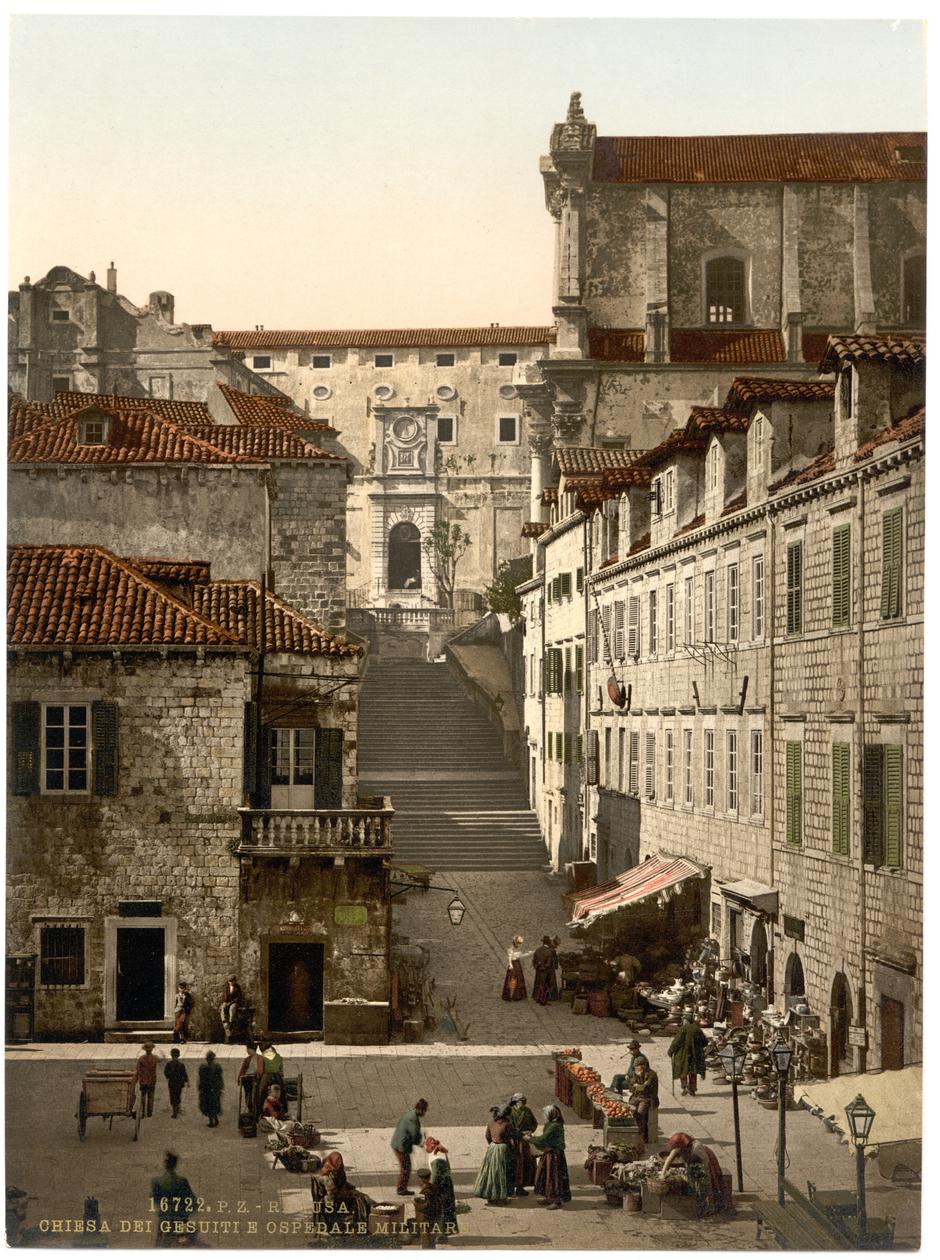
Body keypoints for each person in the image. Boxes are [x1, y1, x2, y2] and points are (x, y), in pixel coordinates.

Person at [660, 1132, 732, 1216]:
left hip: (703, 1162)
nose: (677, 1150)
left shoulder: (696, 1148)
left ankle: (710, 1207)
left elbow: (705, 1164)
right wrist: (663, 1173)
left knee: (707, 1184)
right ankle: (698, 1202)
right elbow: (669, 1159)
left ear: (683, 1145)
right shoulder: (679, 1148)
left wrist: (697, 1173)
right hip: (692, 1163)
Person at [310, 1151, 374, 1231]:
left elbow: (342, 1181)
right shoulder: (327, 1176)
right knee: (359, 1200)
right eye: (339, 1163)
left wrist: (349, 1186)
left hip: (340, 1192)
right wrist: (346, 1194)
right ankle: (357, 1220)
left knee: (364, 1197)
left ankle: (373, 1211)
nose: (340, 1164)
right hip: (331, 1199)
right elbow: (331, 1193)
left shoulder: (337, 1170)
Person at [150, 1151, 198, 1247]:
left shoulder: (156, 1182)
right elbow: (191, 1200)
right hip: (179, 1217)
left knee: (161, 1242)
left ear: (165, 1164)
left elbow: (155, 1198)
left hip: (164, 1217)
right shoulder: (182, 1181)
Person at [417, 1137, 458, 1245]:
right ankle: (443, 1233)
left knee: (440, 1211)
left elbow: (435, 1177)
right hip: (446, 1184)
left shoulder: (437, 1159)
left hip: (442, 1188)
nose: (425, 1148)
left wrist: (429, 1187)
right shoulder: (440, 1153)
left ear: (430, 1146)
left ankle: (441, 1235)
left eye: (426, 1146)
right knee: (445, 1210)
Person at [529, 1104, 571, 1209]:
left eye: (546, 1114)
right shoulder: (551, 1123)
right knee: (547, 1176)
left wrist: (530, 1138)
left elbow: (544, 1139)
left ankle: (557, 1201)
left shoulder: (554, 1126)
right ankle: (549, 1197)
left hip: (555, 1155)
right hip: (549, 1153)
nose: (544, 1116)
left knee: (554, 1177)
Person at [472, 1105, 514, 1205]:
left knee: (490, 1173)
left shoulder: (491, 1123)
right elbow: (510, 1137)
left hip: (492, 1148)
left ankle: (490, 1195)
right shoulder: (507, 1124)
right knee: (500, 1173)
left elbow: (487, 1136)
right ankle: (499, 1197)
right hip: (502, 1149)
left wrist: (492, 1144)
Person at [391, 1098, 428, 1196]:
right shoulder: (413, 1119)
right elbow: (415, 1135)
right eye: (424, 1111)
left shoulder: (410, 1114)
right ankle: (401, 1189)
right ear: (421, 1110)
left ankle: (402, 1187)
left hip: (398, 1142)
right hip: (401, 1146)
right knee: (406, 1167)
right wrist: (421, 1143)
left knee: (405, 1166)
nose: (425, 1113)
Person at [667, 1012, 709, 1097]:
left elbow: (676, 1042)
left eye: (684, 1020)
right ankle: (692, 1089)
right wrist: (697, 1047)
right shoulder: (697, 1029)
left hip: (683, 1055)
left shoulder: (683, 1029)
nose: (683, 1021)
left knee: (683, 1071)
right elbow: (705, 1042)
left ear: (686, 1021)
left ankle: (685, 1086)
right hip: (695, 1055)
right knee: (693, 1072)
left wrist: (670, 1051)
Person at [507, 1094, 537, 1193]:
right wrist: (519, 1134)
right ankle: (510, 1188)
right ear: (516, 1102)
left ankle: (520, 1187)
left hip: (525, 1142)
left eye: (524, 1102)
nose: (523, 1104)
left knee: (526, 1164)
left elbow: (534, 1123)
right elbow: (508, 1128)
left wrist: (530, 1131)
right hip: (514, 1142)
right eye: (521, 1102)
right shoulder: (509, 1112)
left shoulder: (527, 1111)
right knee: (513, 1164)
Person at [627, 1059, 659, 1151]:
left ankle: (642, 1136)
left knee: (640, 1114)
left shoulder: (651, 1074)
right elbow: (632, 1086)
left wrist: (639, 1082)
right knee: (629, 1109)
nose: (637, 1068)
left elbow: (645, 1087)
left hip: (647, 1098)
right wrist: (633, 1082)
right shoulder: (635, 1073)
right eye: (636, 1067)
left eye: (639, 1066)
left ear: (644, 1066)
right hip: (636, 1097)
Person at [238, 1040, 264, 1118]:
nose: (247, 1051)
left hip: (256, 1079)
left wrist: (258, 1075)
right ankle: (250, 1109)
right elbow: (243, 1070)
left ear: (251, 1049)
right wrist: (240, 1078)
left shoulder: (260, 1058)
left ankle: (257, 1110)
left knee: (256, 1095)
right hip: (247, 1080)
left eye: (248, 1049)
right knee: (248, 1095)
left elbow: (260, 1070)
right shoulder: (247, 1059)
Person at [197, 1050, 224, 1127]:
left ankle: (211, 1121)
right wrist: (221, 1087)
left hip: (206, 1089)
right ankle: (215, 1119)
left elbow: (201, 1079)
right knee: (214, 1104)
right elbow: (220, 1078)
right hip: (215, 1089)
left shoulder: (203, 1068)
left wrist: (200, 1087)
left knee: (207, 1104)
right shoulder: (217, 1067)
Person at [257, 1039, 284, 1114]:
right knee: (282, 1092)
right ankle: (283, 1108)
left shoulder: (262, 1057)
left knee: (260, 1093)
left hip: (266, 1077)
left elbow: (260, 1071)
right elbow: (281, 1072)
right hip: (277, 1077)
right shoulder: (278, 1056)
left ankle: (260, 1111)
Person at [532, 936, 560, 1005]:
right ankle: (549, 997)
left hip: (539, 970)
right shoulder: (550, 952)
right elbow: (550, 963)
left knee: (539, 983)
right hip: (548, 971)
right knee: (549, 984)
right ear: (549, 943)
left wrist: (537, 967)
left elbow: (534, 961)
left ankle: (537, 995)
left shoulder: (538, 950)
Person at [135, 1041, 160, 1119]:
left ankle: (142, 1112)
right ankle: (149, 1113)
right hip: (152, 1080)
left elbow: (137, 1069)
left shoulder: (141, 1059)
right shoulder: (155, 1058)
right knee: (151, 1096)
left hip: (143, 1080)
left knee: (143, 1096)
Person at [501, 936, 531, 1001]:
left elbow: (520, 955)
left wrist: (528, 953)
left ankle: (519, 994)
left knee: (519, 979)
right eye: (519, 943)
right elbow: (509, 958)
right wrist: (510, 965)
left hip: (518, 964)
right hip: (514, 965)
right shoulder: (511, 949)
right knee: (513, 979)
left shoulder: (518, 949)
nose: (520, 945)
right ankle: (511, 995)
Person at [164, 1047, 189, 1119]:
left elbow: (166, 1073)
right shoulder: (181, 1065)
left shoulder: (169, 1064)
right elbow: (184, 1074)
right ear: (178, 1055)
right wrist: (186, 1081)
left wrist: (169, 1076)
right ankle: (177, 1108)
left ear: (171, 1055)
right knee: (178, 1095)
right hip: (179, 1083)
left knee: (172, 1096)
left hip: (172, 1083)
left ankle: (174, 1111)